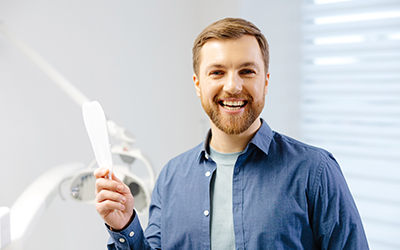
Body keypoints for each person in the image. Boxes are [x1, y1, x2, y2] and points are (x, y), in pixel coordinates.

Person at [94, 17, 369, 250]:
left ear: (266, 81)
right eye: (217, 72)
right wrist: (125, 225)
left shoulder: (315, 171)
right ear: (198, 84)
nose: (233, 86)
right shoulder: (171, 177)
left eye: (247, 71)